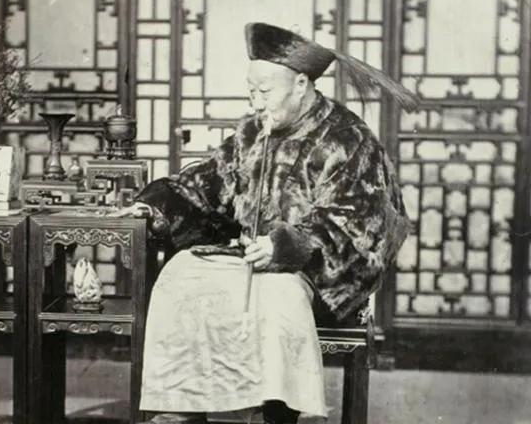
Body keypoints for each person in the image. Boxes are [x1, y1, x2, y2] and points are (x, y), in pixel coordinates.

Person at [113, 23, 417, 424]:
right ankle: (180, 409)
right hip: (248, 256)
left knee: (275, 297)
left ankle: (275, 412)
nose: (255, 102)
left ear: (301, 84)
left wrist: (285, 246)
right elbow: (209, 180)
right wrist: (156, 206)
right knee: (180, 276)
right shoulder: (253, 131)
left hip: (315, 274)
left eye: (264, 91)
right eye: (251, 90)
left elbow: (359, 220)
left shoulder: (349, 138)